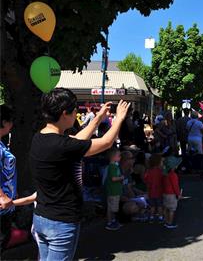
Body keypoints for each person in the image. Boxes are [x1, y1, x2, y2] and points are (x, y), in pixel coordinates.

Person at [30, 88, 130, 260]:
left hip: (42, 217)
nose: (76, 112)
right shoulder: (63, 146)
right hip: (61, 222)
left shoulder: (40, 138)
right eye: (74, 110)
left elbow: (77, 141)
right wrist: (119, 118)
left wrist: (98, 118)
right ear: (64, 114)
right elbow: (106, 143)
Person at [0, 105, 16, 257]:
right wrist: (3, 196)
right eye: (10, 121)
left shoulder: (1, 143)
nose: (12, 125)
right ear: (4, 122)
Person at [104, 149, 124, 231]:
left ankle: (111, 221)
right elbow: (113, 178)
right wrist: (121, 178)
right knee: (112, 208)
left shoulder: (114, 166)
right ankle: (111, 222)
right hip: (113, 191)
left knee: (111, 207)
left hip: (113, 190)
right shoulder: (112, 167)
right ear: (113, 157)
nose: (120, 157)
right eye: (119, 156)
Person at [162, 156, 182, 229]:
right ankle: (169, 223)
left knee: (166, 208)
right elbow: (175, 186)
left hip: (164, 193)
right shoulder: (173, 175)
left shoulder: (164, 174)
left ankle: (166, 221)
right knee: (171, 209)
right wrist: (178, 194)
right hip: (171, 194)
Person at [144, 154, 164, 222]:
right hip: (159, 192)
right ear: (158, 162)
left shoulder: (149, 171)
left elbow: (146, 180)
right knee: (159, 206)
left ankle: (151, 217)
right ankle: (160, 217)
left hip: (151, 192)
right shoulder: (160, 171)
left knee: (152, 206)